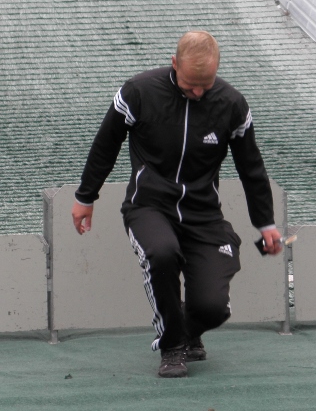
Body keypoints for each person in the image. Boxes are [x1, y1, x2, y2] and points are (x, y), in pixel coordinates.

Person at [71, 30, 282, 378]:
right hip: (148, 207)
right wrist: (85, 196)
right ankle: (172, 346)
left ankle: (187, 328)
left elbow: (251, 168)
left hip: (204, 216)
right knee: (162, 254)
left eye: (205, 85)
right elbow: (105, 144)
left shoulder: (232, 105)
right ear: (174, 63)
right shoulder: (138, 92)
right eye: (189, 84)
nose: (197, 92)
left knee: (214, 308)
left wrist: (266, 224)